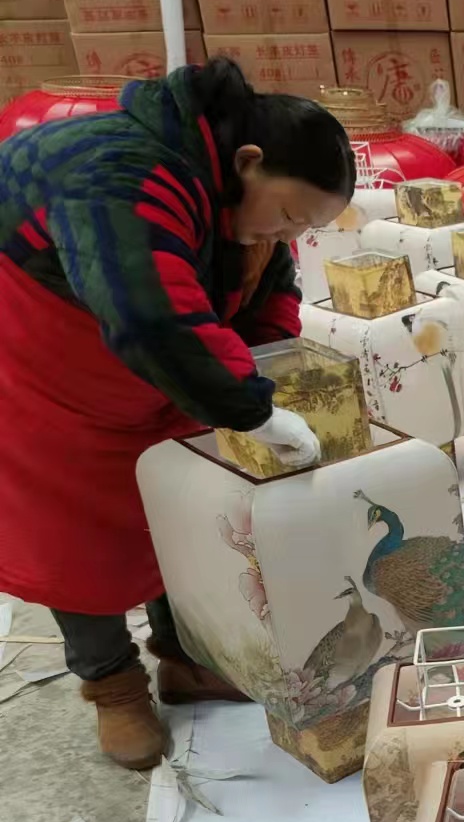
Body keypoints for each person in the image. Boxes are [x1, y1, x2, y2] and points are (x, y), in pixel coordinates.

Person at [0, 59, 356, 770]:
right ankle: (113, 685)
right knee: (76, 539)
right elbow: (149, 315)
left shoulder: (241, 205)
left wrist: (271, 367)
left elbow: (268, 290)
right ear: (248, 161)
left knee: (182, 506)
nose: (286, 234)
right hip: (46, 365)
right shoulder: (121, 174)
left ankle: (188, 656)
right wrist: (249, 409)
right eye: (290, 215)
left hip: (157, 368)